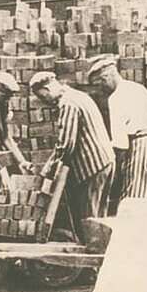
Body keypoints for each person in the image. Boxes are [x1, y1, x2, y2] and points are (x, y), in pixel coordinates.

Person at [29, 72, 115, 225]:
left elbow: (66, 144)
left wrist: (47, 170)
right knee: (100, 217)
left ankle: (92, 247)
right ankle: (100, 246)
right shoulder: (78, 95)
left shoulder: (68, 103)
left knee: (90, 218)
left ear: (48, 88)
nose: (45, 102)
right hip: (105, 161)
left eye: (43, 97)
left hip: (92, 166)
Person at [87, 56, 147, 200]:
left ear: (106, 77)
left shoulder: (116, 98)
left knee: (133, 200)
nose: (100, 89)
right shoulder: (137, 88)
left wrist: (113, 173)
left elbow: (121, 144)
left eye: (99, 84)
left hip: (140, 146)